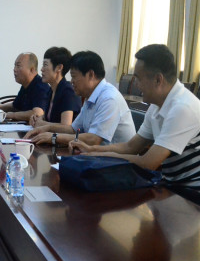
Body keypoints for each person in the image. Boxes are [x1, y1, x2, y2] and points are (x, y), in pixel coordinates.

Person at [71, 44, 200, 188]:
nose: (136, 84)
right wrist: (91, 149)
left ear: (158, 80)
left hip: (191, 192)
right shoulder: (157, 105)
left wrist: (98, 155)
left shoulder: (182, 109)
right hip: (170, 184)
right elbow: (131, 147)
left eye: (138, 78)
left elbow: (148, 163)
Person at [26, 50, 135, 146]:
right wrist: (47, 128)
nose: (72, 81)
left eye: (74, 76)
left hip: (116, 160)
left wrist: (54, 137)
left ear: (91, 75)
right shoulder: (90, 96)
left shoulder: (109, 99)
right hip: (97, 155)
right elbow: (73, 129)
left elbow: (93, 139)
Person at [0, 52, 51, 122]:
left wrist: (11, 115)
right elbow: (15, 106)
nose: (14, 69)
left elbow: (37, 114)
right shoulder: (26, 85)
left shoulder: (41, 87)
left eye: (18, 66)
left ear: (32, 70)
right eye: (15, 66)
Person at [29, 47, 81, 127]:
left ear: (59, 68)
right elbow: (50, 118)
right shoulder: (51, 90)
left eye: (45, 65)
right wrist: (37, 118)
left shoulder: (68, 91)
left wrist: (42, 124)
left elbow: (66, 126)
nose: (42, 69)